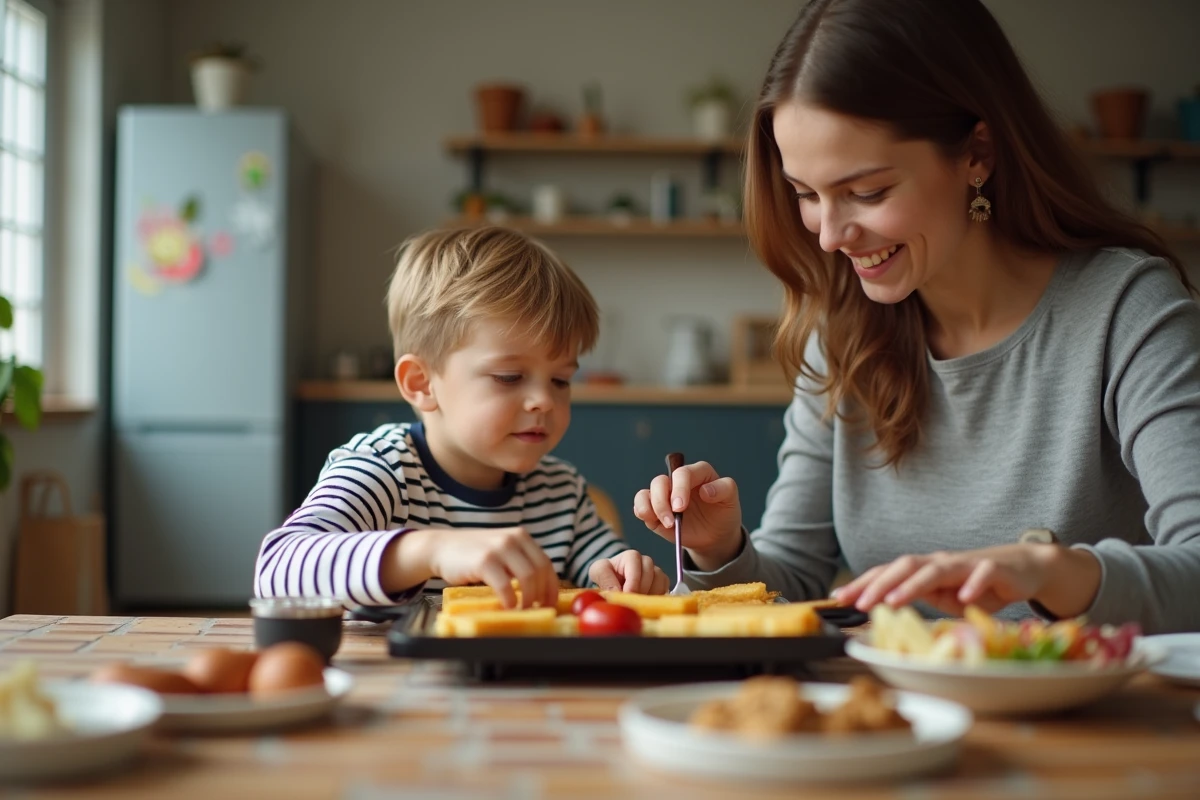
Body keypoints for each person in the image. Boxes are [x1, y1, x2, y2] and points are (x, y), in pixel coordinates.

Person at [634, 0, 1200, 633]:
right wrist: (720, 548)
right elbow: (793, 583)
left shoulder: (1127, 312)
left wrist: (1053, 572)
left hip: (1097, 726)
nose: (830, 236)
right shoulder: (841, 335)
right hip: (899, 723)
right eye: (805, 195)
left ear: (977, 154)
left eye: (867, 192)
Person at [256, 226, 668, 609]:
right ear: (421, 383)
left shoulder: (561, 493)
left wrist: (622, 573)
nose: (544, 399)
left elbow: (605, 577)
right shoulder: (381, 471)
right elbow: (276, 570)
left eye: (561, 380)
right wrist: (430, 550)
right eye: (509, 377)